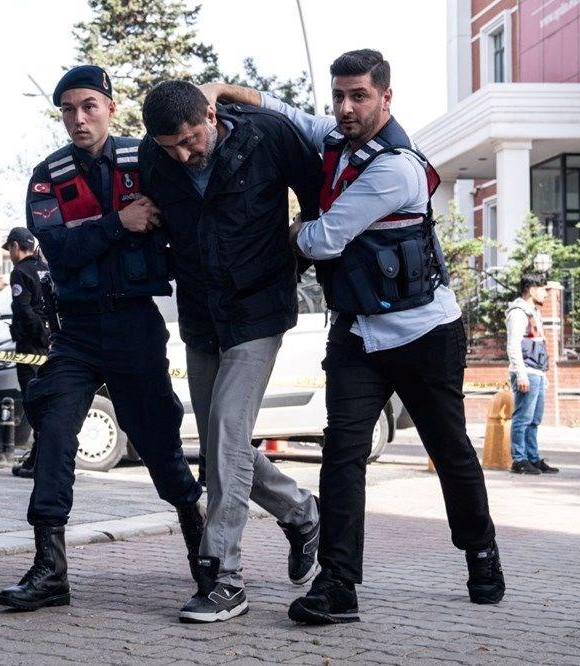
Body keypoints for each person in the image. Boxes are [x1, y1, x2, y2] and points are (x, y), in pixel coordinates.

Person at [203, 48, 505, 624]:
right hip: (357, 335)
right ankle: (337, 584)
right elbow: (286, 111)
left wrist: (289, 230)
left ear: (385, 98)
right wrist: (221, 91)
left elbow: (323, 240)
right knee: (342, 455)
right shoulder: (337, 139)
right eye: (339, 95)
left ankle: (481, 551)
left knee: (449, 450)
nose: (346, 107)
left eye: (359, 96)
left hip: (423, 332)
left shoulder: (395, 167)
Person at [0, 65, 205, 612]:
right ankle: (50, 570)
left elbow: (185, 219)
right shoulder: (48, 176)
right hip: (78, 331)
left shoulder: (150, 158)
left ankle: (204, 553)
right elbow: (58, 249)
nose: (78, 119)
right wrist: (119, 222)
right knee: (54, 432)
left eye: (89, 106)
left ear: (111, 107)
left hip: (135, 325)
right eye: (67, 109)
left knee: (157, 442)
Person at [139, 80, 323, 623]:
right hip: (201, 315)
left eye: (190, 140)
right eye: (169, 146)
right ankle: (301, 512)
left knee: (224, 435)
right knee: (224, 440)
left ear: (211, 116)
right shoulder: (154, 155)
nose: (182, 154)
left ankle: (224, 577)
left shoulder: (267, 135)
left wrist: (295, 252)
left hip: (258, 310)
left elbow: (320, 197)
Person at [3, 226, 50, 477]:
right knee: (47, 403)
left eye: (9, 249)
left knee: (34, 404)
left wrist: (41, 337)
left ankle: (38, 461)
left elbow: (24, 310)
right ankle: (38, 457)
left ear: (15, 246)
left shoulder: (20, 272)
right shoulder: (45, 268)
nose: (9, 255)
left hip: (32, 346)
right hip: (51, 345)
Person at [507, 274, 558, 475]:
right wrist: (521, 374)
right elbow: (513, 346)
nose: (545, 293)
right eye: (543, 289)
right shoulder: (518, 313)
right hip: (526, 371)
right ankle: (519, 460)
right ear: (531, 289)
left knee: (534, 419)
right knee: (523, 418)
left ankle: (532, 458)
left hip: (536, 372)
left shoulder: (533, 312)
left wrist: (543, 375)